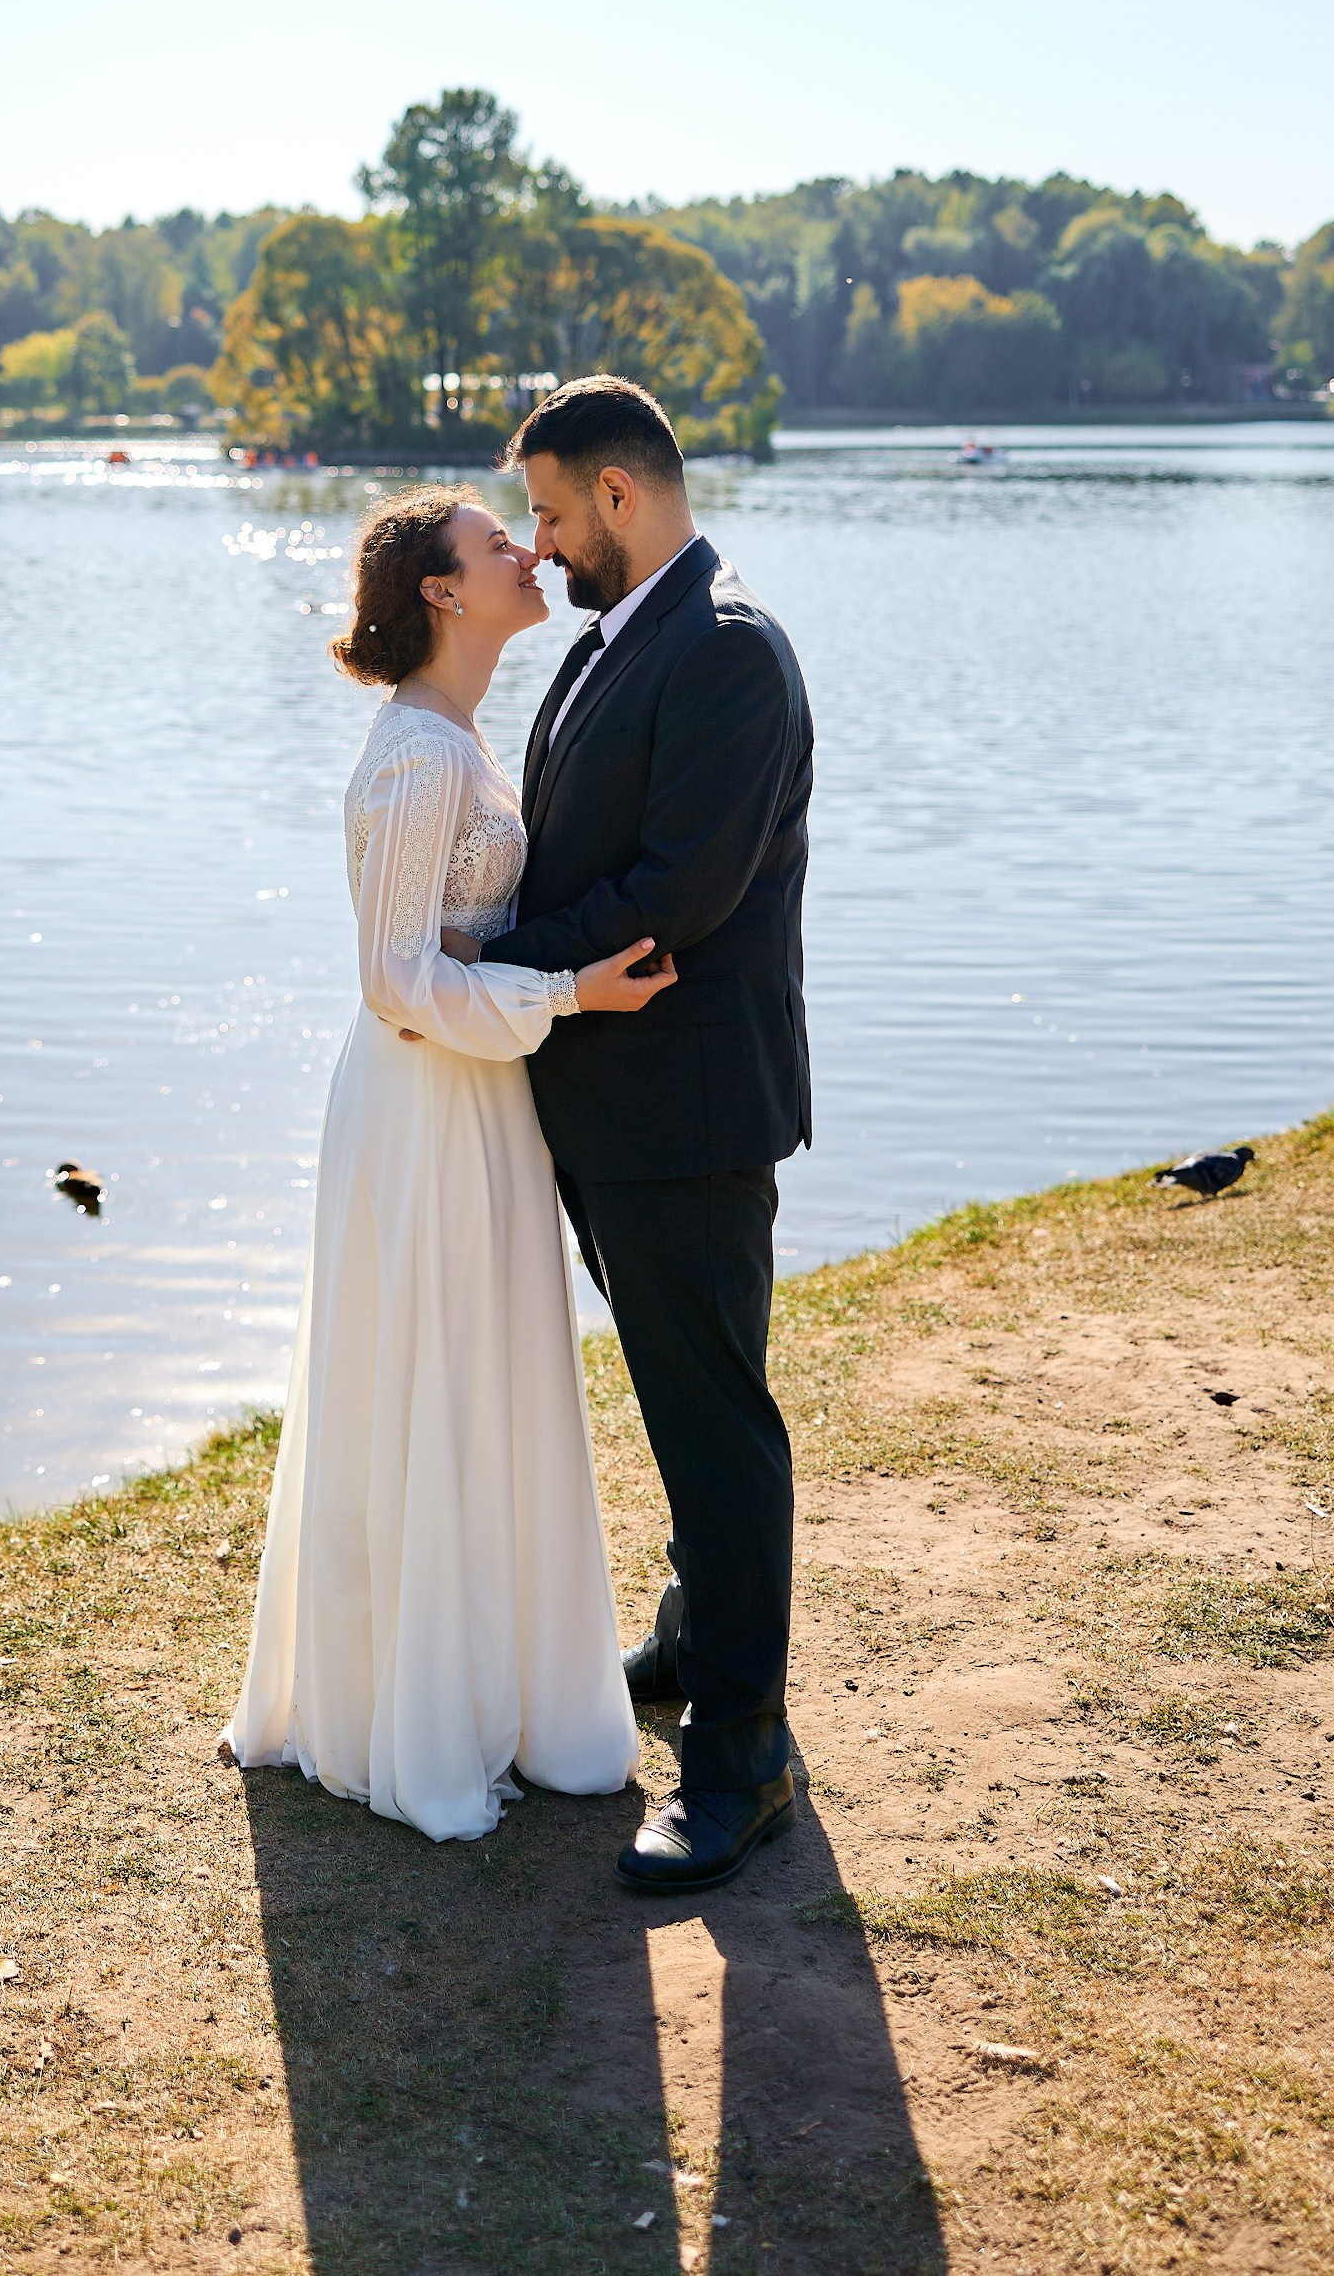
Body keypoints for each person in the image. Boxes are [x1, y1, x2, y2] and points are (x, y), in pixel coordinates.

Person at [226, 488, 678, 1842]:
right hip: (424, 1099)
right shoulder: (421, 758)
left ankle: (510, 1689)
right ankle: (422, 1714)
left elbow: (452, 941)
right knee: (431, 1371)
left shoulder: (463, 740)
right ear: (439, 590)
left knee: (487, 1374)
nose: (528, 552)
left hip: (479, 1094)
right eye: (499, 544)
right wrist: (568, 999)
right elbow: (391, 980)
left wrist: (519, 980)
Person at [458, 374, 813, 1895]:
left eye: (546, 513)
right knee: (679, 1400)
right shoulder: (621, 637)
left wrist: (494, 970)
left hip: (689, 1111)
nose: (538, 547)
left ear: (619, 493)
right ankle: (686, 1638)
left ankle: (743, 1757)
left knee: (718, 1421)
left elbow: (676, 893)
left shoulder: (724, 653)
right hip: (611, 1106)